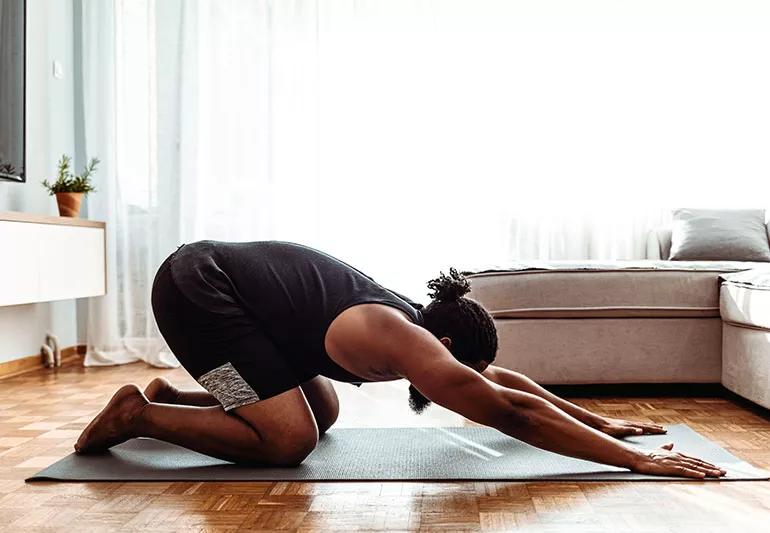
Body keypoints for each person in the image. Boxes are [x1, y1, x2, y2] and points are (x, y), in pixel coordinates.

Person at [75, 240, 726, 478]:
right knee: (288, 440)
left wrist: (598, 420)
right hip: (198, 296)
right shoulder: (400, 335)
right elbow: (510, 412)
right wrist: (636, 460)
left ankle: (170, 399)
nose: (462, 385)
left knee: (321, 411)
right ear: (443, 349)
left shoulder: (421, 328)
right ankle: (140, 415)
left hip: (241, 316)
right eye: (459, 371)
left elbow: (507, 386)